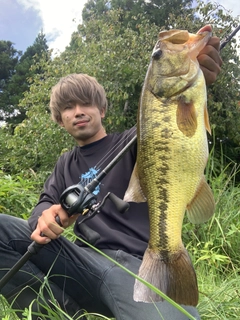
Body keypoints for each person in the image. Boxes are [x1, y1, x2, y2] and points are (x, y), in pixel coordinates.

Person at [0, 27, 222, 320]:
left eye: (86, 103)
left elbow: (171, 126)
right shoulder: (64, 165)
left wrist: (199, 79)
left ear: (102, 110)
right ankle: (63, 313)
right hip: (82, 263)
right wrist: (47, 216)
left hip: (139, 264)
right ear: (59, 120)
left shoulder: (136, 139)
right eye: (68, 108)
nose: (78, 111)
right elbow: (42, 207)